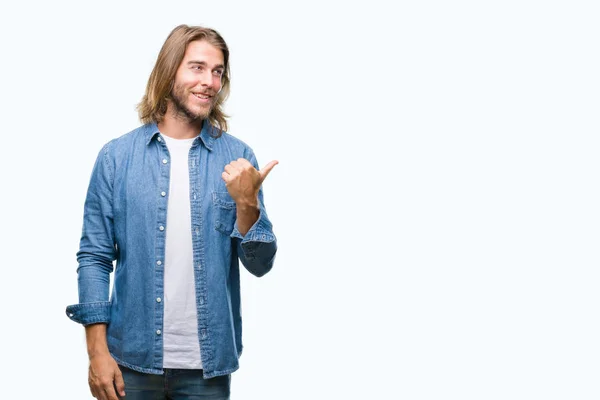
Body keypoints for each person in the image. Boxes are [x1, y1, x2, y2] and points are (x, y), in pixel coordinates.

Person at [65, 24, 278, 400]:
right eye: (197, 68)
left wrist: (247, 204)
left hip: (207, 371)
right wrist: (97, 352)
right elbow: (95, 257)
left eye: (217, 72)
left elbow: (260, 265)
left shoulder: (239, 158)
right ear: (169, 71)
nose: (210, 82)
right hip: (129, 362)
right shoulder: (117, 158)